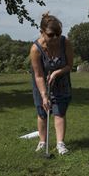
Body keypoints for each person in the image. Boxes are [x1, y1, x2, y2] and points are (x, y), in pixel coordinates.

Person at [29, 12, 73, 154]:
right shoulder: (36, 49)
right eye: (50, 35)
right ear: (42, 32)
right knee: (43, 112)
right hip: (41, 82)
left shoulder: (65, 42)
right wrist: (44, 95)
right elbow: (39, 75)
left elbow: (69, 65)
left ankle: (60, 144)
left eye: (58, 34)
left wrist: (56, 72)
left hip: (61, 82)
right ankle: (42, 142)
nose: (55, 38)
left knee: (59, 112)